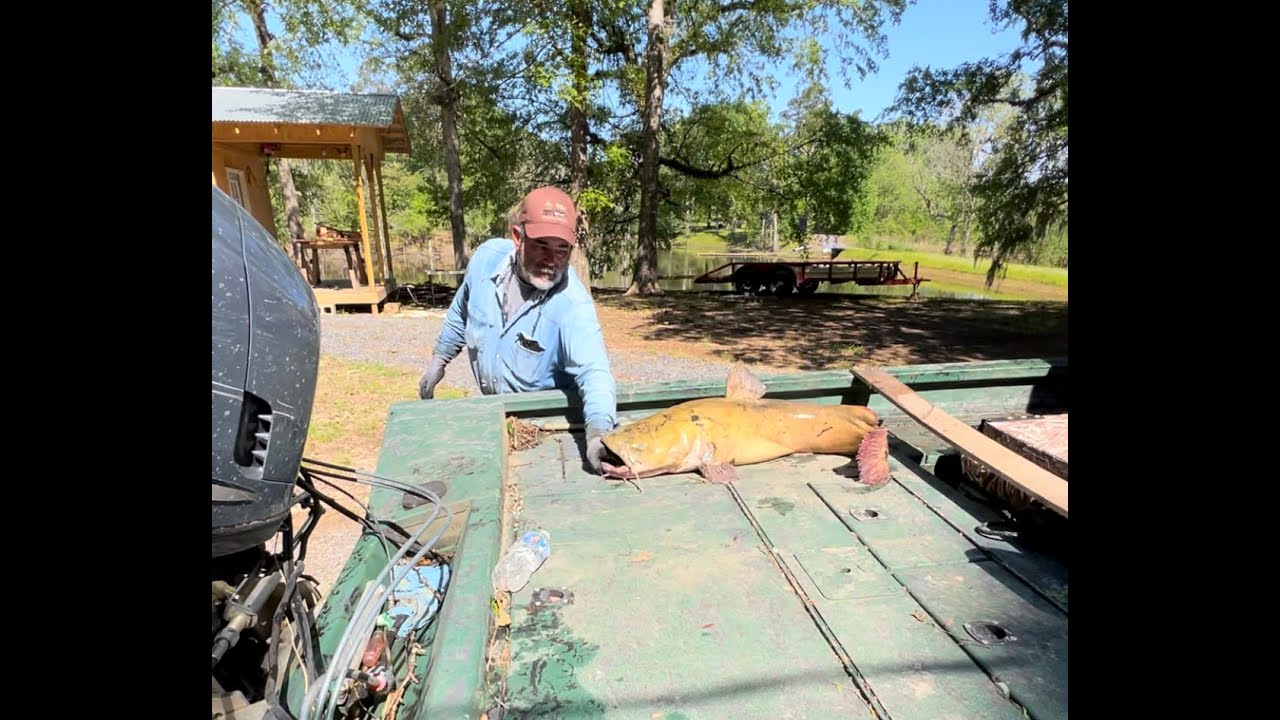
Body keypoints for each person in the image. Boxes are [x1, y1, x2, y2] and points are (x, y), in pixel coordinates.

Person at [417, 186, 617, 474]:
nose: (552, 260)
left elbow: (595, 372)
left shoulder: (572, 305)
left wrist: (598, 434)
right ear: (517, 237)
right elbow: (461, 311)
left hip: (545, 432)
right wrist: (439, 359)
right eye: (541, 245)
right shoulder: (486, 261)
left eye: (562, 249)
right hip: (495, 416)